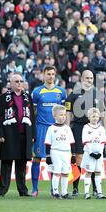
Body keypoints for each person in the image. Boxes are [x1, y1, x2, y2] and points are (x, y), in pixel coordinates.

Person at [66, 70, 105, 196]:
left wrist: (103, 128)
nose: (89, 80)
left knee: (94, 156)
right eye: (87, 78)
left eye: (91, 78)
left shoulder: (97, 95)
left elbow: (103, 113)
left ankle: (95, 188)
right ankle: (75, 188)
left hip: (94, 129)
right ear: (82, 79)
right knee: (78, 158)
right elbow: (67, 111)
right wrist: (66, 128)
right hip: (78, 128)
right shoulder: (74, 94)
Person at [0, 73, 35, 197]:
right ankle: (2, 190)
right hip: (8, 135)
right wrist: (0, 134)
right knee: (6, 164)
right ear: (11, 84)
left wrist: (33, 134)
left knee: (21, 165)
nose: (19, 83)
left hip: (24, 135)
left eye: (21, 81)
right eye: (16, 81)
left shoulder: (27, 97)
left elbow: (32, 118)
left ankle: (23, 191)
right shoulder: (3, 98)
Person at [31, 66, 67, 197]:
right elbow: (33, 113)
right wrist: (33, 131)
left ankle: (54, 189)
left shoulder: (61, 92)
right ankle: (35, 189)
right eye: (48, 74)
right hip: (41, 129)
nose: (51, 76)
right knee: (37, 158)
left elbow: (64, 112)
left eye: (53, 74)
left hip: (56, 130)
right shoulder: (37, 92)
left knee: (54, 159)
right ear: (43, 75)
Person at [44, 105, 75, 199]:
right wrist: (48, 156)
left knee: (65, 173)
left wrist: (73, 155)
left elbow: (72, 142)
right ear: (55, 116)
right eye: (61, 115)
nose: (63, 117)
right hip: (55, 152)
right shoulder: (51, 128)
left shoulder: (67, 128)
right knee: (56, 172)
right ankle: (55, 192)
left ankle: (64, 192)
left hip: (66, 152)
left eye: (64, 115)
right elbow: (47, 143)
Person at [81, 107, 106, 199]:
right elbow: (86, 141)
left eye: (96, 116)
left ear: (99, 117)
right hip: (89, 154)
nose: (94, 118)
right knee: (88, 172)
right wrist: (91, 152)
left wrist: (100, 152)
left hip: (99, 154)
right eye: (92, 116)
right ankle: (86, 193)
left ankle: (99, 192)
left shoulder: (101, 128)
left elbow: (103, 142)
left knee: (98, 172)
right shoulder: (86, 127)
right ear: (89, 117)